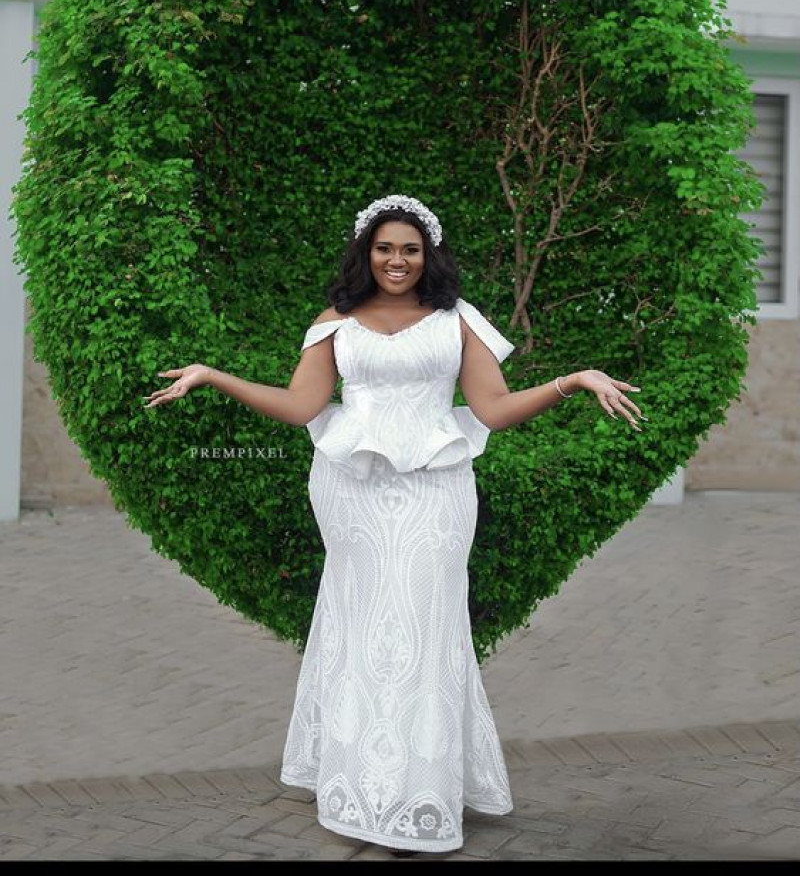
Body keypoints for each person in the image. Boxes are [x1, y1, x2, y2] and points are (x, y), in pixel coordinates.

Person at [144, 195, 645, 855]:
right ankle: (364, 788)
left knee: (424, 623)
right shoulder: (336, 322)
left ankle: (422, 792)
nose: (397, 260)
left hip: (437, 486)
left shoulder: (457, 320)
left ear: (427, 254)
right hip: (351, 489)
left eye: (410, 249)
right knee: (362, 625)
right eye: (385, 248)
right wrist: (214, 376)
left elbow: (490, 410)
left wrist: (571, 380)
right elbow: (301, 406)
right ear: (366, 253)